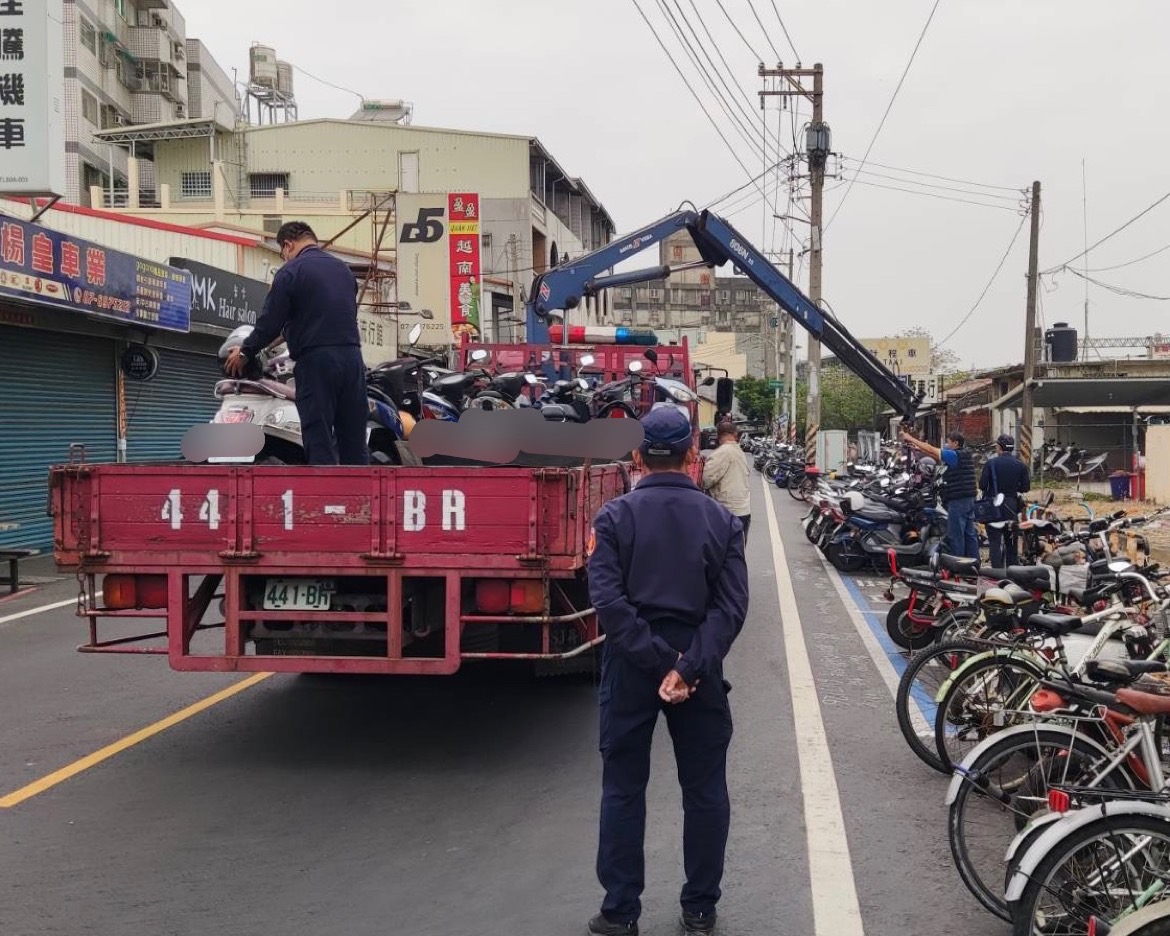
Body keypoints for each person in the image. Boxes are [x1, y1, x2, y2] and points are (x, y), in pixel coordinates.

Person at [586, 407, 750, 936]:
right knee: (704, 789)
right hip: (696, 666)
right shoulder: (720, 521)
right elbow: (731, 608)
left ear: (637, 458)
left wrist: (657, 662)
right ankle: (700, 908)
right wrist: (686, 666)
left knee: (623, 788)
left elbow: (608, 603)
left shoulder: (612, 518)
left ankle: (620, 911)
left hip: (633, 664)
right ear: (691, 457)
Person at [223, 221, 369, 466]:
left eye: (283, 253)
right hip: (353, 360)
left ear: (288, 245)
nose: (284, 258)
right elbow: (321, 317)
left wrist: (246, 351)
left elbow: (269, 321)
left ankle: (324, 498)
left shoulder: (291, 272)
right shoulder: (343, 271)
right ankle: (360, 500)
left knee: (318, 434)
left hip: (317, 363)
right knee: (353, 437)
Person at [900, 426, 979, 560]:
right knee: (969, 533)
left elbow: (932, 449)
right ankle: (973, 563)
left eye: (948, 442)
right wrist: (917, 448)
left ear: (955, 443)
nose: (946, 445)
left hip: (958, 501)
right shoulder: (964, 454)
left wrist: (910, 437)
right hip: (969, 499)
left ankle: (957, 565)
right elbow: (934, 454)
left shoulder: (954, 455)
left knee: (956, 535)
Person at [981, 433, 1032, 568]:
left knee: (994, 541)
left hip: (994, 506)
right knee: (1011, 541)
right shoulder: (1020, 465)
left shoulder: (991, 463)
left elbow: (982, 485)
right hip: (1011, 506)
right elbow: (1026, 488)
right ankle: (1012, 571)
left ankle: (996, 573)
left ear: (999, 447)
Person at [701, 421, 752, 543]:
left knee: (721, 554)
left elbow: (706, 481)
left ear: (719, 435)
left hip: (727, 512)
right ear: (735, 434)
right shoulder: (739, 451)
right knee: (737, 553)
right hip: (743, 510)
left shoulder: (721, 453)